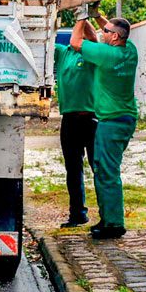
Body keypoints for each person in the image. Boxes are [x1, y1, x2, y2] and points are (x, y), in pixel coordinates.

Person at [70, 8, 138, 239]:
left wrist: (81, 18)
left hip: (111, 122)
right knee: (107, 170)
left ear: (114, 37)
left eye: (106, 31)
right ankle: (109, 219)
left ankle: (113, 224)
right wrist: (96, 14)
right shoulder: (130, 51)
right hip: (125, 118)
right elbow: (110, 27)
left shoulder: (107, 56)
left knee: (106, 172)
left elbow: (75, 42)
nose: (102, 32)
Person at [54, 13, 98, 227]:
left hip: (92, 118)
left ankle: (108, 213)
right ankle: (77, 213)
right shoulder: (64, 53)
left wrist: (82, 16)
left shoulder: (93, 53)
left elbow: (93, 36)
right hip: (69, 119)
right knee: (73, 168)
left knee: (98, 166)